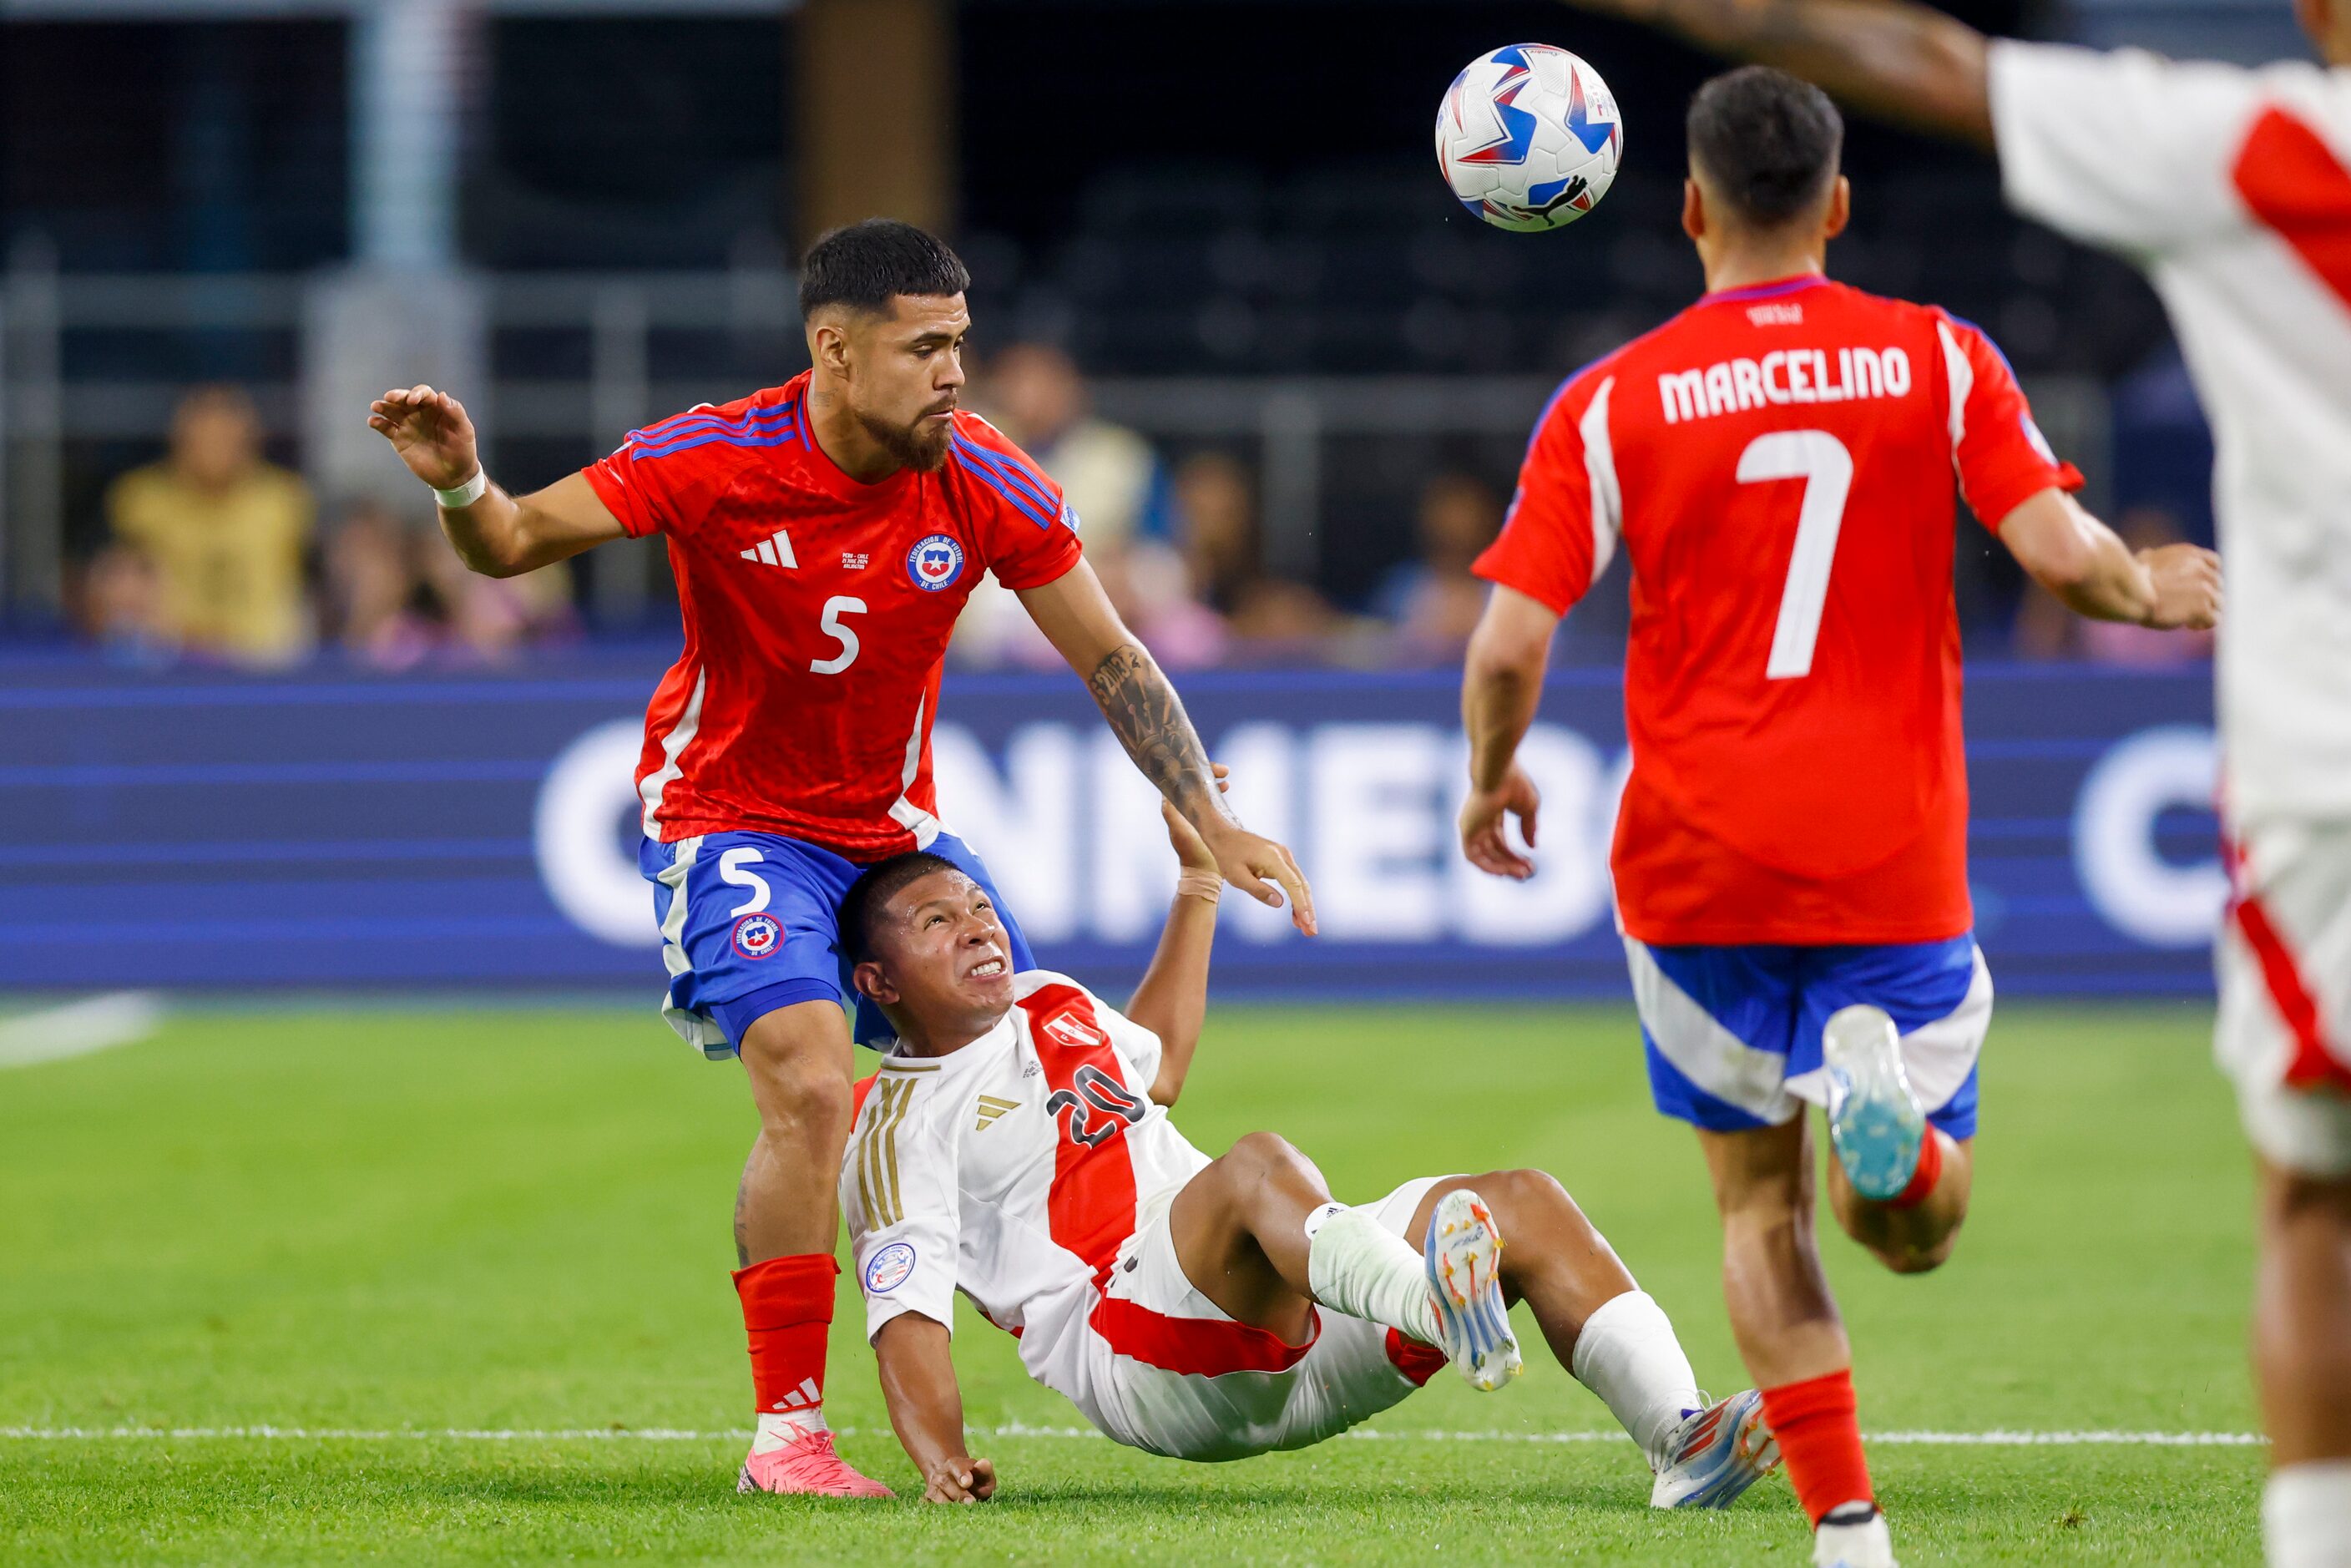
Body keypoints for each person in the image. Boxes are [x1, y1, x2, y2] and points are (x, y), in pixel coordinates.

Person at [1540, 8, 2348, 1563]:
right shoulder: (1936, 352)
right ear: (1838, 206)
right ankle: (1891, 1119)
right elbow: (2061, 553)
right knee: (1913, 1230)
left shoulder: (1622, 391)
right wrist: (2150, 586)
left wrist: (1495, 771)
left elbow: (1512, 631)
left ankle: (1850, 1529)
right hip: (1891, 847)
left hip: (1697, 850)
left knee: (1759, 1213)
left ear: (1690, 206)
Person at [366, 219, 1315, 1500]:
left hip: (890, 826)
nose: (955, 372)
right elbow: (514, 543)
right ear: (833, 349)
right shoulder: (712, 456)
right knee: (814, 1083)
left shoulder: (982, 474)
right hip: (735, 817)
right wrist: (461, 483)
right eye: (927, 347)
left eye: (960, 344)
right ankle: (789, 1436)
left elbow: (1113, 655)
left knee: (1048, 1073)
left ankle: (1083, 1320)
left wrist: (1209, 809)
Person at [838, 787, 1780, 1510]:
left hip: (1283, 1315)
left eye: (975, 906)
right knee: (1254, 1166)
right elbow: (906, 1308)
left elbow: (1154, 1071)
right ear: (877, 981)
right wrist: (942, 1459)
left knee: (1522, 1201)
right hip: (1135, 1351)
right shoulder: (892, 1127)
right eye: (937, 923)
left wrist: (1199, 882)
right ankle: (1435, 1306)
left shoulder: (1050, 1001)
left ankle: (1680, 1443)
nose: (977, 927)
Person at [105, 384, 314, 667]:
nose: (214, 450)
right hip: (169, 656)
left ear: (249, 442)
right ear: (180, 441)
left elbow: (310, 588)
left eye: (225, 439)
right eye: (203, 439)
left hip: (265, 659)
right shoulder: (140, 500)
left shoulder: (286, 500)